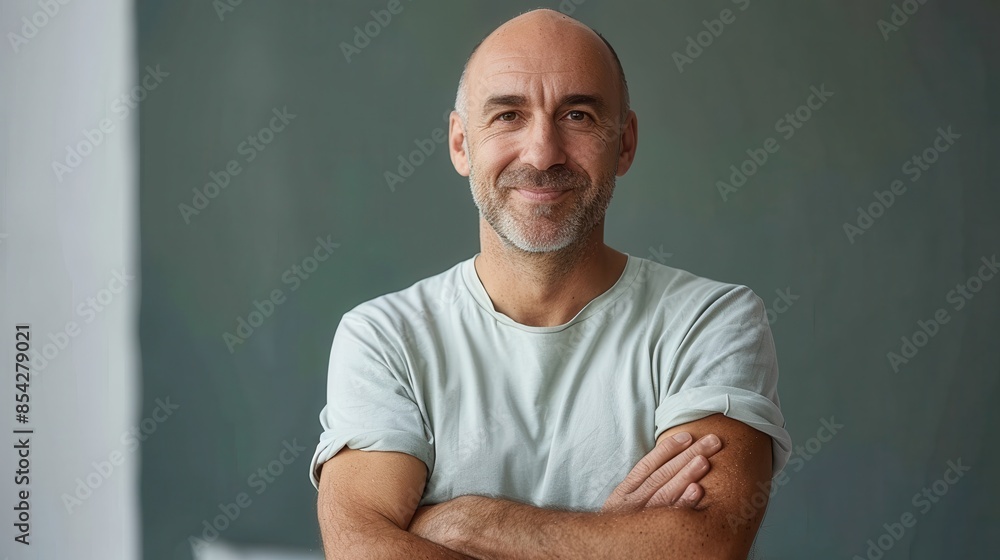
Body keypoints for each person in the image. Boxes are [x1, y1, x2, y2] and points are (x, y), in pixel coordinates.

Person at [310, 8, 791, 559]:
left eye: (579, 115)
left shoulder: (709, 321)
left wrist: (468, 524)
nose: (542, 153)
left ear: (626, 143)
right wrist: (609, 542)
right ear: (461, 144)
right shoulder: (384, 338)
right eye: (509, 115)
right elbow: (362, 551)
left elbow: (705, 548)